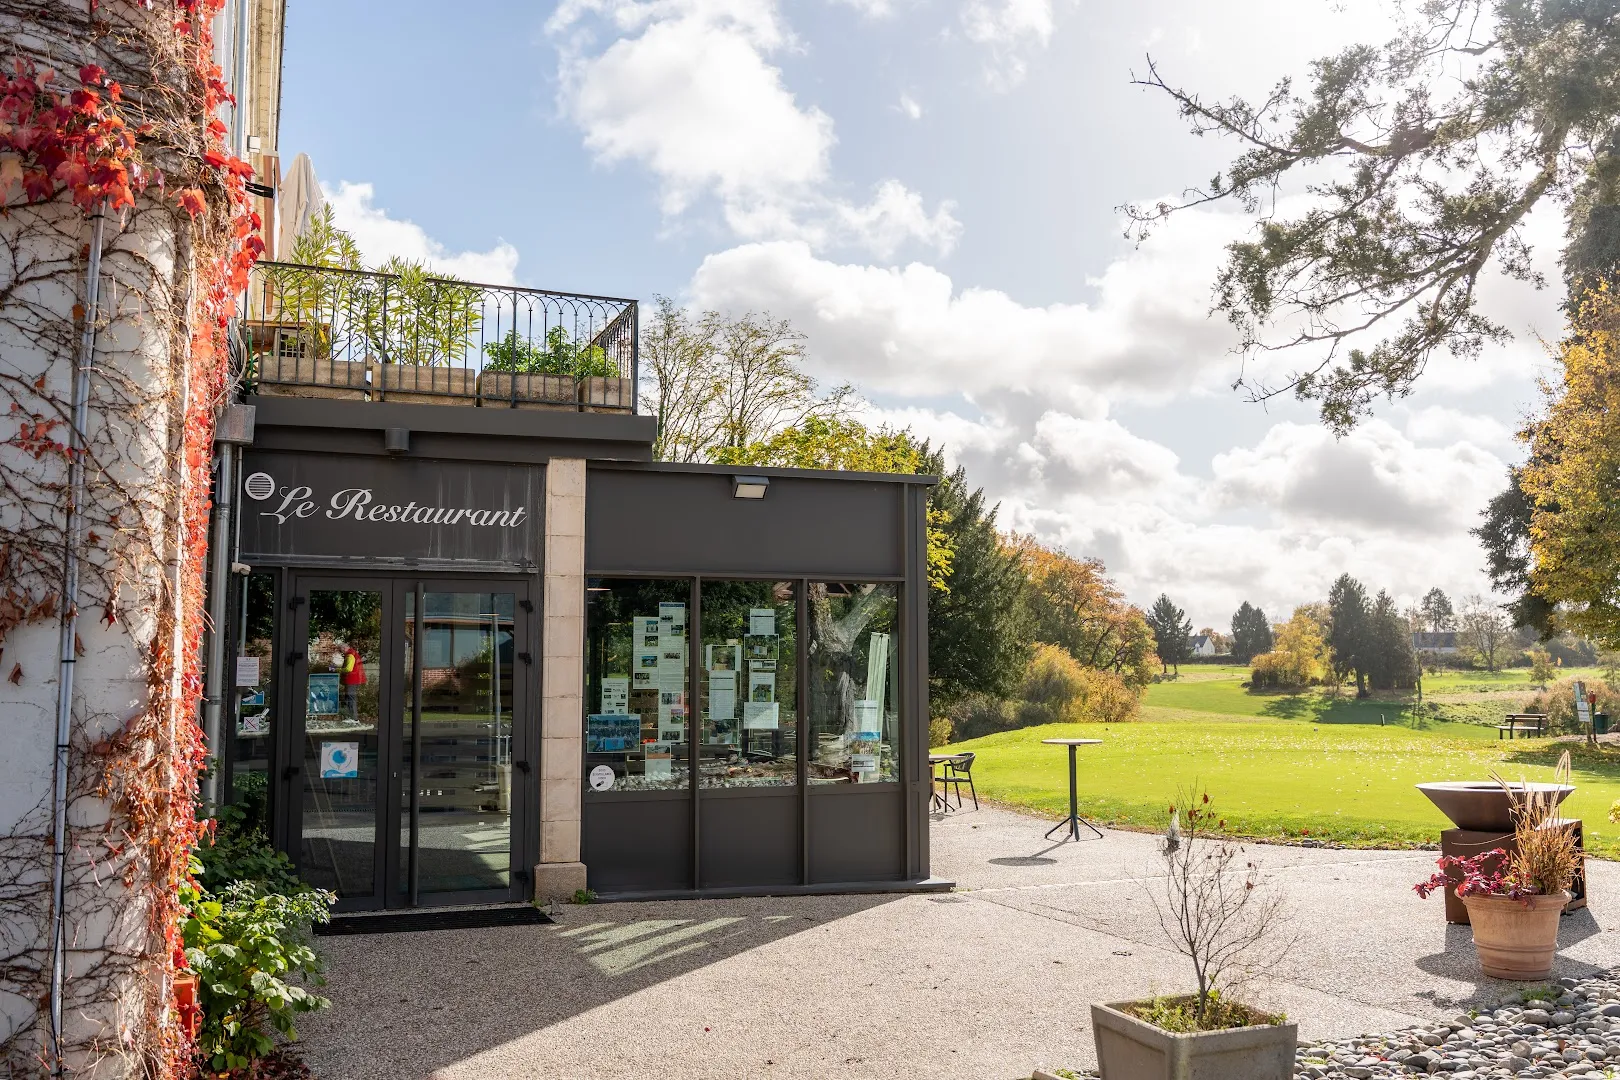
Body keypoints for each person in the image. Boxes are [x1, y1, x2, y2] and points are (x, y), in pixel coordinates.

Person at [339, 641, 365, 721]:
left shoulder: (350, 655)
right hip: (354, 679)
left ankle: (354, 719)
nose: (341, 652)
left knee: (351, 698)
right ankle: (350, 717)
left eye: (341, 650)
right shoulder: (352, 654)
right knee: (349, 698)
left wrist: (335, 669)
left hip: (352, 680)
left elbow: (348, 669)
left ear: (344, 648)